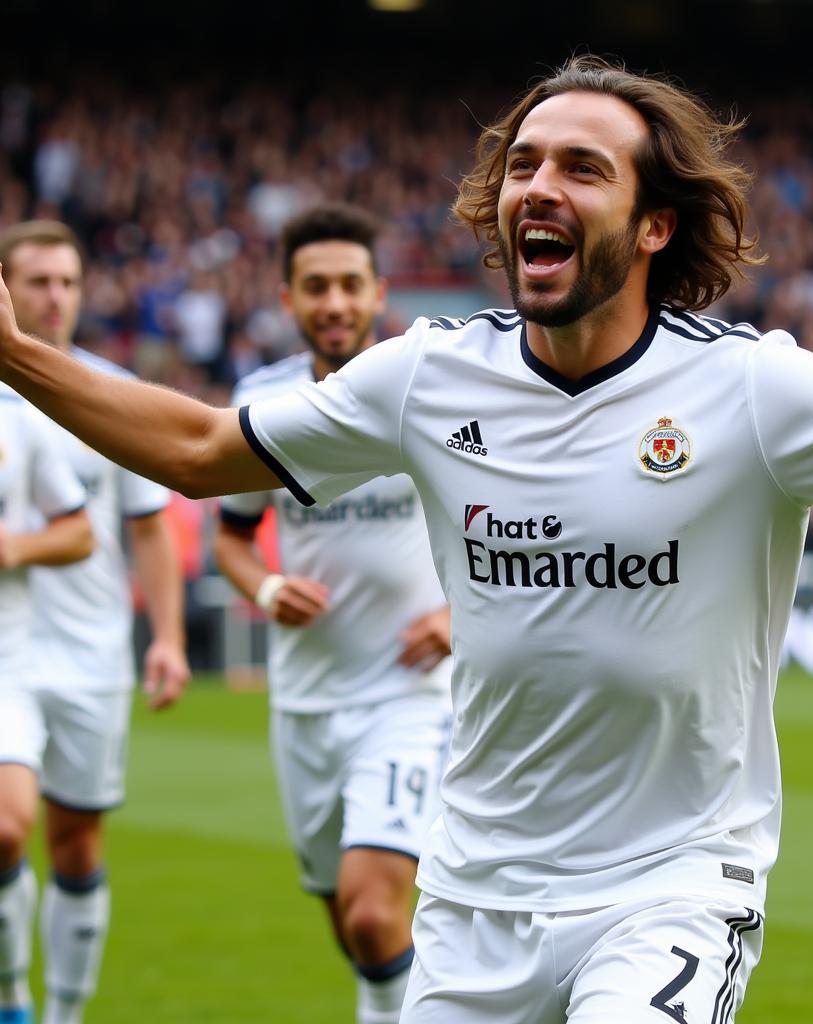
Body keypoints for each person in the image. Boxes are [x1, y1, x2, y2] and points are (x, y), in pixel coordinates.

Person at [0, 55, 813, 1022]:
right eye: (523, 163)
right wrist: (12, 351)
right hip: (473, 895)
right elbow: (197, 448)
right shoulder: (426, 377)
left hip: (668, 886)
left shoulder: (755, 390)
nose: (538, 185)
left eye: (583, 167)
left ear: (655, 224)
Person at [213, 202, 451, 1024]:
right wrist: (269, 590)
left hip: (412, 693)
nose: (336, 303)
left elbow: (506, 525)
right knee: (349, 923)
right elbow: (233, 541)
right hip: (307, 700)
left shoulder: (425, 392)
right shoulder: (264, 403)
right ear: (288, 298)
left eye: (352, 284)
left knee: (375, 911)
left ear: (379, 289)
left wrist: (460, 617)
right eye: (317, 287)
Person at [0, 221, 190, 1024]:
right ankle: (11, 998)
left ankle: (63, 1016)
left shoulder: (112, 396)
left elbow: (145, 527)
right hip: (6, 654)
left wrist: (171, 640)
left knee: (76, 845)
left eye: (68, 283)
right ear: (8, 288)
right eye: (38, 281)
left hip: (91, 653)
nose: (55, 297)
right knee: (6, 830)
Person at [0, 390, 93, 1024]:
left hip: (7, 662)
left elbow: (79, 528)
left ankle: (11, 999)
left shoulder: (15, 417)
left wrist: (15, 547)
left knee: (7, 827)